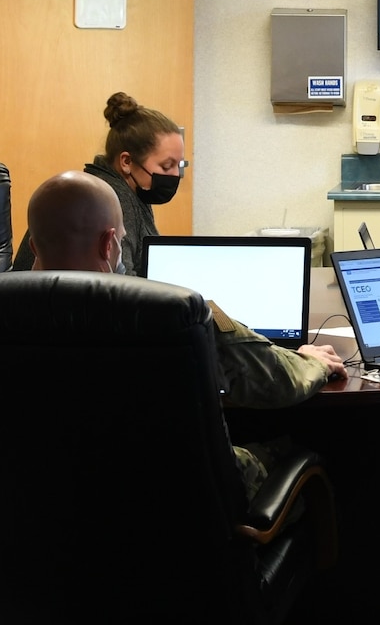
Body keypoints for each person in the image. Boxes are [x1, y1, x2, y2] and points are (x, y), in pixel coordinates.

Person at [25, 170, 347, 498]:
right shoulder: (164, 313)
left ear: (35, 245)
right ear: (108, 243)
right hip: (171, 502)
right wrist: (311, 361)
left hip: (37, 505)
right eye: (121, 240)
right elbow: (277, 381)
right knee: (301, 447)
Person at [13, 91, 186, 276]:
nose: (176, 174)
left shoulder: (125, 191)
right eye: (167, 166)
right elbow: (122, 283)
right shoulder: (111, 199)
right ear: (126, 162)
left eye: (179, 165)